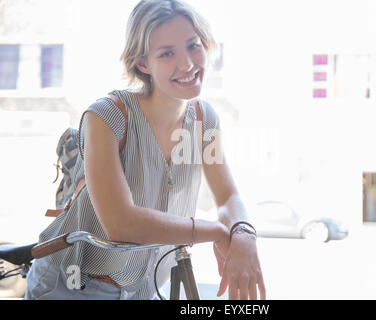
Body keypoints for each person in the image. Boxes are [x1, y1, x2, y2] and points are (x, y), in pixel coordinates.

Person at [25, 0, 265, 300]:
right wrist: (217, 231)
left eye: (193, 45)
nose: (188, 64)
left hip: (144, 288)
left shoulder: (204, 119)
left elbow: (228, 195)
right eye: (167, 54)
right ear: (142, 63)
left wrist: (242, 232)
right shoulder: (106, 116)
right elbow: (121, 224)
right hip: (72, 284)